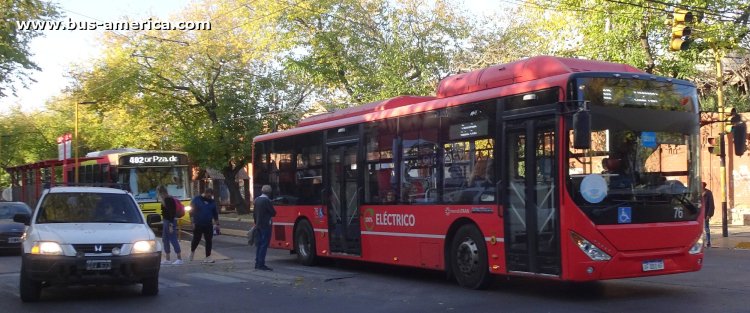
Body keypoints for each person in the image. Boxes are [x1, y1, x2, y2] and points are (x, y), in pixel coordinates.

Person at [189, 188, 219, 263]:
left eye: (211, 196)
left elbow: (215, 213)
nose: (210, 197)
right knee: (196, 239)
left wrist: (217, 223)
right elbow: (191, 212)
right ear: (205, 193)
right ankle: (192, 252)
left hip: (208, 224)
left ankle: (208, 256)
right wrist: (192, 222)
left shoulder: (212, 202)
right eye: (208, 195)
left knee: (209, 240)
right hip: (198, 223)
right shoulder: (197, 199)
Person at [253, 185, 277, 271]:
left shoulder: (257, 200)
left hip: (258, 225)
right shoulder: (267, 201)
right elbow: (273, 213)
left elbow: (254, 214)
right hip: (266, 225)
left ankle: (257, 263)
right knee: (264, 244)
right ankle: (261, 264)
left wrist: (256, 223)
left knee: (259, 245)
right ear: (269, 192)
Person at [158, 185, 183, 265]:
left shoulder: (168, 199)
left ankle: (179, 258)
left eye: (158, 192)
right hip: (166, 221)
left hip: (170, 222)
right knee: (165, 239)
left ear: (161, 192)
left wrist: (171, 224)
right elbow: (165, 213)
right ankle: (168, 259)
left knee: (173, 238)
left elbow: (171, 213)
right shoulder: (165, 200)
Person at [702, 182, 715, 247]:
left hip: (705, 214)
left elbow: (711, 205)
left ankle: (708, 241)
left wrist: (709, 215)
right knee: (699, 230)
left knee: (706, 228)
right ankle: (701, 242)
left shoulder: (708, 193)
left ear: (704, 187)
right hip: (699, 215)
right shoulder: (698, 193)